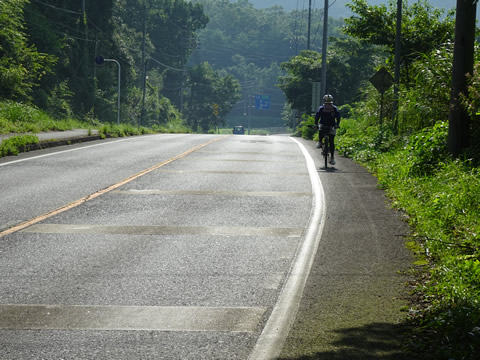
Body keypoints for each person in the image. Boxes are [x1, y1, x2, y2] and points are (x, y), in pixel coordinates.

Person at [315, 94, 341, 165]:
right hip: (323, 124)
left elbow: (338, 117)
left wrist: (337, 124)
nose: (328, 105)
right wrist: (316, 124)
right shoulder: (321, 108)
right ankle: (320, 142)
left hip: (332, 125)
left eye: (329, 103)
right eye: (327, 103)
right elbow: (317, 117)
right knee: (320, 131)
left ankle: (332, 157)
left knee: (331, 141)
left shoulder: (334, 108)